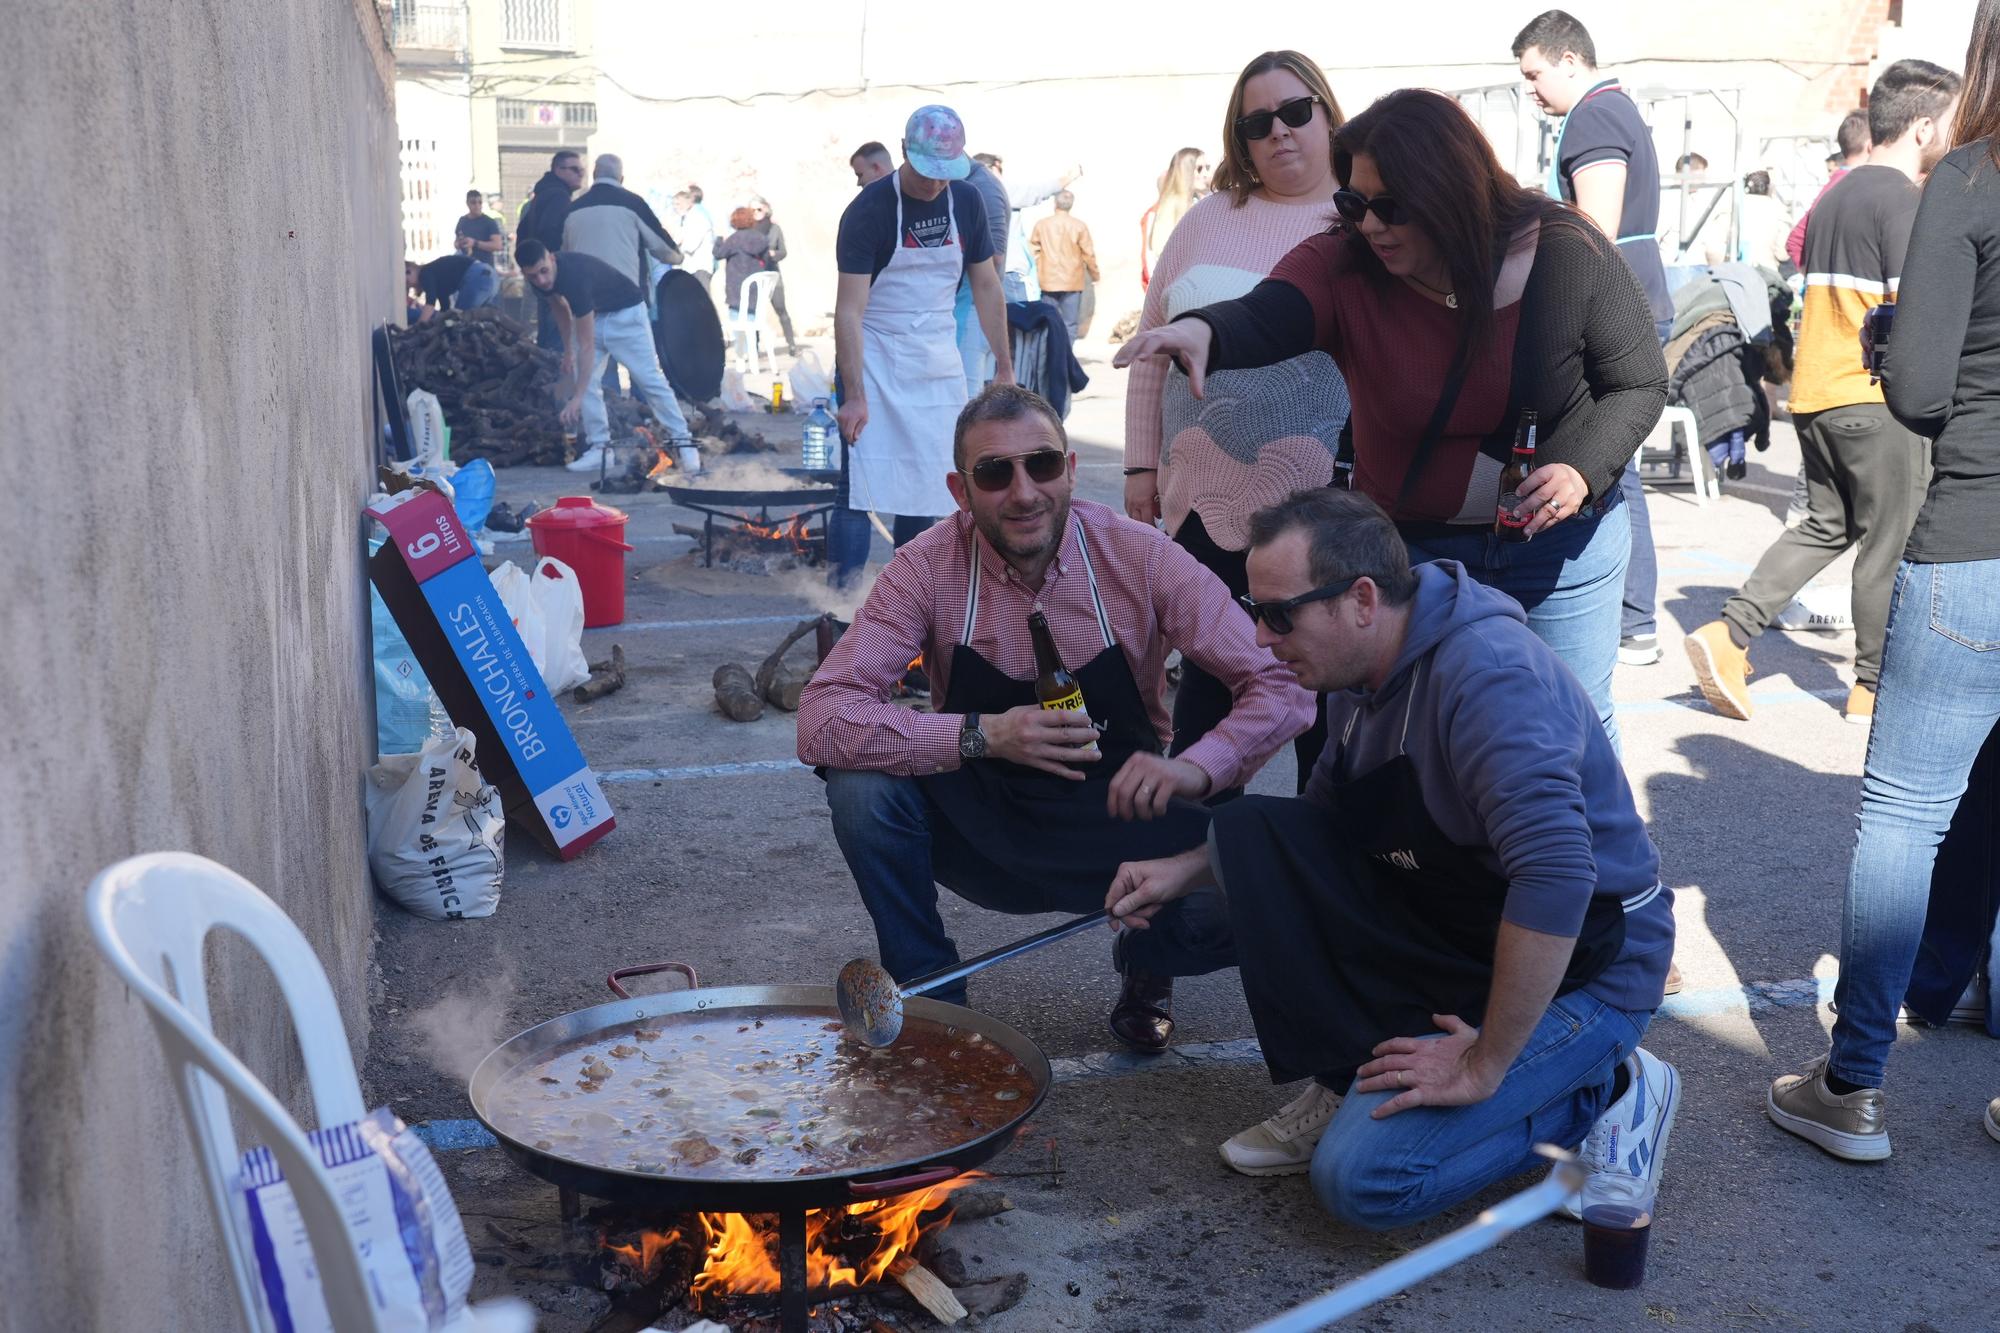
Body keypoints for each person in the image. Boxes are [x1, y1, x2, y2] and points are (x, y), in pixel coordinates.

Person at [1103, 487, 1679, 1206]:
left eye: (1278, 614)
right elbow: (1319, 827)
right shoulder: (1359, 662)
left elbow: (1557, 876)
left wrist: (1482, 1060)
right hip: (1465, 911)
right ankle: (1347, 1071)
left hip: (1590, 958)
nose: (1259, 637)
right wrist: (1182, 872)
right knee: (1226, 867)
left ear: (1363, 599)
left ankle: (1609, 1089)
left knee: (1365, 1178)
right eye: (1256, 611)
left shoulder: (1490, 677)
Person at [1115, 89, 1667, 754]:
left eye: (1392, 206)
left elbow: (1639, 380)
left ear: (1452, 191)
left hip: (1558, 549)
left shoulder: (1563, 249)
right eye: (1355, 202)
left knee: (1566, 730)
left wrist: (1581, 468)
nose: (1369, 223)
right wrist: (1205, 331)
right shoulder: (1345, 260)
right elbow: (1268, 311)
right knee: (1400, 743)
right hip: (1411, 552)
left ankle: (1582, 861)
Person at [797, 385, 1314, 1052]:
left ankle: (1147, 961)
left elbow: (1281, 681)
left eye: (1041, 464)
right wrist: (985, 733)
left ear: (1070, 469)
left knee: (1267, 888)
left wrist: (1194, 768)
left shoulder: (1141, 555)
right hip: (986, 814)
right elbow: (822, 714)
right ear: (961, 490)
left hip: (1124, 817)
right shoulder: (925, 566)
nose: (1023, 492)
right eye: (994, 473)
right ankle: (929, 991)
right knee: (860, 788)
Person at [1768, 6, 2000, 1161]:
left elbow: (1912, 390)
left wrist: (1908, 337)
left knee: (1903, 811)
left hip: (1973, 538)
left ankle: (1850, 1084)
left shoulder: (1969, 173)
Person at [1684, 58, 1961, 727]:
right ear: (1923, 128)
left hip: (1817, 393)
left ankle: (1731, 631)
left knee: (1825, 525)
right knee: (1887, 541)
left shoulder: (1835, 192)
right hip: (1874, 399)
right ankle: (1872, 688)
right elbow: (1912, 311)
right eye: (1952, 121)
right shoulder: (1905, 201)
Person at [1123, 49, 1351, 800]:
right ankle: (1185, 892)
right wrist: (1139, 468)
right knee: (1212, 694)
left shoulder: (1363, 217)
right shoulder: (1205, 219)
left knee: (1330, 711)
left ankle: (1326, 886)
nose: (1279, 133)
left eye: (1295, 112)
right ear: (1240, 139)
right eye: (1258, 123)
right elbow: (1152, 351)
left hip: (1325, 510)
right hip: (1201, 502)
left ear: (1325, 111)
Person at [1514, 9, 1673, 670]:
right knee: (1613, 464)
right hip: (1628, 298)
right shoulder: (1606, 111)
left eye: (1534, 73)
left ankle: (1633, 617)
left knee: (1607, 462)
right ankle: (1632, 616)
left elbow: (1594, 229)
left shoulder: (1595, 115)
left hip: (1612, 309)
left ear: (1570, 60)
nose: (1529, 88)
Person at [830, 106, 1015, 586]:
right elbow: (849, 310)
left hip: (934, 357)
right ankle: (842, 608)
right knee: (857, 491)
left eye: (944, 176)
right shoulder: (868, 211)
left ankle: (907, 601)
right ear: (905, 151)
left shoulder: (967, 201)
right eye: (929, 174)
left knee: (926, 489)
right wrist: (853, 395)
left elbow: (988, 287)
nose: (936, 186)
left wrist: (1004, 365)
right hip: (873, 354)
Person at [515, 239, 693, 473]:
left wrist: (576, 398)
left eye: (544, 272)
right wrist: (568, 350)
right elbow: (558, 307)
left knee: (649, 379)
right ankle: (601, 449)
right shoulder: (538, 281)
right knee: (583, 375)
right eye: (533, 276)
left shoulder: (575, 278)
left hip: (628, 315)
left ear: (552, 258)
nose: (541, 280)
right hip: (598, 316)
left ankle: (684, 442)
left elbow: (587, 346)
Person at [562, 155, 680, 296]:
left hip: (586, 300)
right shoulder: (634, 204)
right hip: (626, 296)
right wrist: (677, 256)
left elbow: (563, 254)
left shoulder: (573, 210)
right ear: (621, 178)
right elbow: (664, 248)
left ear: (594, 175)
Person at [1786, 109, 1872, 271]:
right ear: (1870, 146)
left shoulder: (1836, 183)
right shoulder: (1852, 183)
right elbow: (1795, 241)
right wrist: (1815, 278)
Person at [517, 150, 585, 349]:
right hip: (551, 273)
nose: (580, 174)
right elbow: (550, 232)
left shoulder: (544, 194)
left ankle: (548, 374)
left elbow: (524, 230)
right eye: (574, 169)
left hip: (540, 269)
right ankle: (556, 375)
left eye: (581, 169)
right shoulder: (558, 196)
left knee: (549, 325)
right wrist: (554, 266)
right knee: (558, 328)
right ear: (559, 170)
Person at [1029, 192, 1100, 339]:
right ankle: (1065, 359)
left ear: (1055, 203)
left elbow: (1033, 250)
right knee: (1070, 324)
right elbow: (1089, 254)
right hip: (1072, 281)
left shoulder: (1042, 225)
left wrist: (1038, 268)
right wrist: (1095, 275)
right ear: (1071, 205)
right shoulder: (1079, 226)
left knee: (1049, 322)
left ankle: (1049, 357)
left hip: (1048, 281)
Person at [1142, 147, 1209, 290]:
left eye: (1206, 168)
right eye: (1199, 169)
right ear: (1185, 171)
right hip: (1179, 290)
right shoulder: (1170, 206)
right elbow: (1159, 252)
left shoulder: (1200, 201)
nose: (1205, 174)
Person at [749, 196, 799, 356]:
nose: (756, 213)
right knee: (754, 312)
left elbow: (783, 251)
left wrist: (774, 254)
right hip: (754, 275)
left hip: (772, 274)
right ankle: (754, 348)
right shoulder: (748, 229)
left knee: (780, 309)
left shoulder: (774, 229)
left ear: (766, 209)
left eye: (759, 209)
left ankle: (791, 344)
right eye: (752, 210)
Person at [713, 206, 770, 314]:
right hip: (756, 290)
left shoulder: (734, 239)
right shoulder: (761, 238)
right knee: (753, 323)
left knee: (738, 324)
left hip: (736, 292)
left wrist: (719, 239)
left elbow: (718, 254)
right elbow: (766, 260)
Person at [404, 252, 495, 318]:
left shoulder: (425, 273)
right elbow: (445, 309)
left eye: (408, 281)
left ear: (410, 270)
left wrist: (419, 327)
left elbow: (430, 304)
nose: (412, 285)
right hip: (491, 277)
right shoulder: (438, 281)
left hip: (476, 276)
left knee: (460, 319)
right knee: (475, 319)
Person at [1737, 170, 1790, 271]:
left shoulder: (1735, 207)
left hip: (1737, 273)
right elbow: (1782, 254)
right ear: (1769, 188)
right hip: (1767, 273)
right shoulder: (1779, 211)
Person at [671, 189, 716, 296]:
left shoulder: (698, 218)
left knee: (701, 302)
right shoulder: (685, 218)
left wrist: (677, 243)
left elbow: (690, 245)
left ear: (688, 203)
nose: (675, 207)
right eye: (674, 204)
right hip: (689, 267)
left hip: (699, 267)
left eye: (678, 204)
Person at [454, 190, 503, 267]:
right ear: (467, 204)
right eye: (473, 202)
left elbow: (497, 245)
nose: (477, 205)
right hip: (465, 266)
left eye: (479, 202)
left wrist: (475, 243)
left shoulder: (489, 222)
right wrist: (460, 243)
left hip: (484, 267)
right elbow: (456, 242)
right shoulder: (462, 221)